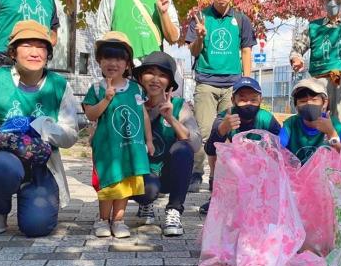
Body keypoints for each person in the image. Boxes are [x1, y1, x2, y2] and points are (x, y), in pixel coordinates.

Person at [0, 20, 79, 237]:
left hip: (41, 163)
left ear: (48, 53)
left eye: (41, 46)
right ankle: (1, 206)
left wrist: (43, 127)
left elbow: (71, 134)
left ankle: (30, 197)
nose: (34, 52)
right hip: (3, 159)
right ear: (13, 52)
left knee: (37, 226)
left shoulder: (58, 85)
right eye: (27, 45)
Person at [185, 0, 255, 192]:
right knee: (204, 131)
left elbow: (246, 50)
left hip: (233, 85)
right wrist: (200, 36)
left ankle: (221, 177)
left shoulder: (241, 20)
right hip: (206, 82)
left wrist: (246, 82)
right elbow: (193, 51)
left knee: (229, 133)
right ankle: (196, 172)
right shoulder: (200, 17)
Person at [84, 31, 154, 238]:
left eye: (119, 59)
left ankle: (119, 220)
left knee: (126, 183)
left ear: (127, 64)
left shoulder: (136, 89)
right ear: (99, 61)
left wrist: (149, 140)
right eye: (107, 58)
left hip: (131, 147)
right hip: (108, 149)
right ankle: (103, 220)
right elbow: (91, 115)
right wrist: (106, 99)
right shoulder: (97, 89)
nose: (113, 63)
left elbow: (143, 115)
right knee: (109, 183)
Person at [132, 51, 202, 236]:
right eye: (150, 73)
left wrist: (171, 118)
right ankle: (145, 203)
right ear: (140, 77)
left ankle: (174, 210)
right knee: (149, 191)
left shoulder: (179, 105)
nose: (155, 79)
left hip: (169, 174)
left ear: (169, 82)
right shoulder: (130, 104)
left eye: (162, 75)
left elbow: (195, 144)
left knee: (184, 148)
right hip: (142, 174)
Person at [200, 76, 281, 213]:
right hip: (233, 168)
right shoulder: (225, 117)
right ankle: (217, 195)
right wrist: (222, 129)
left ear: (260, 100)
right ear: (233, 100)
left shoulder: (267, 119)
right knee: (219, 150)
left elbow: (280, 147)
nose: (248, 103)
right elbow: (210, 150)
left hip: (259, 168)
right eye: (243, 99)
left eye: (253, 99)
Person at [279, 78, 341, 164]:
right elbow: (278, 148)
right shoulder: (290, 124)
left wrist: (331, 134)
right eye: (303, 101)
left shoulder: (335, 125)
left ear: (324, 103)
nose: (309, 104)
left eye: (314, 100)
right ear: (296, 106)